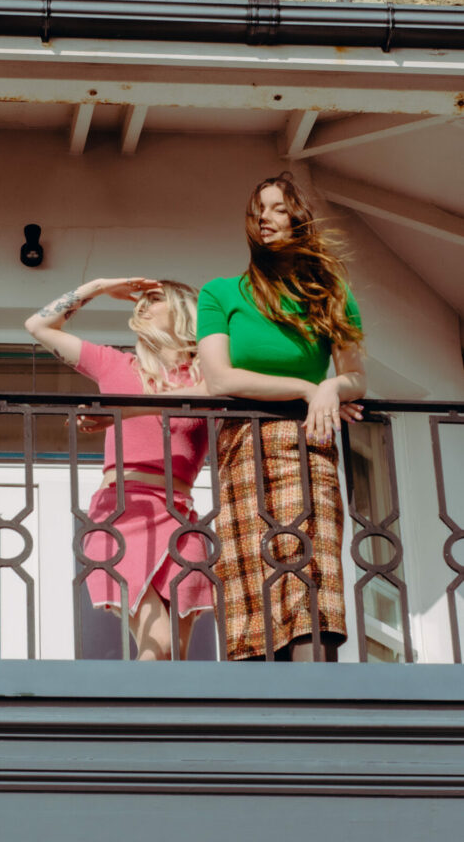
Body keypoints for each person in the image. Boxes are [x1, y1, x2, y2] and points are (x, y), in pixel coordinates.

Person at [197, 173, 366, 662]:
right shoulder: (222, 293)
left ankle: (315, 700)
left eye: (275, 208)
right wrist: (308, 387)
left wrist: (333, 387)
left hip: (307, 442)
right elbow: (219, 380)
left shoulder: (331, 293)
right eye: (258, 210)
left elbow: (356, 378)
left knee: (310, 569)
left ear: (298, 217)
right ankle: (258, 704)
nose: (263, 219)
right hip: (243, 446)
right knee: (251, 570)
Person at [25, 277, 213, 660]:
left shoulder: (208, 374)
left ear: (184, 310)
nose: (142, 304)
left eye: (155, 298)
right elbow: (38, 326)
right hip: (124, 510)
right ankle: (140, 718)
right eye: (140, 299)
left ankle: (160, 719)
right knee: (157, 643)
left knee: (176, 650)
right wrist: (96, 287)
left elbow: (213, 394)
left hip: (181, 515)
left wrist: (124, 411)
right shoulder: (115, 364)